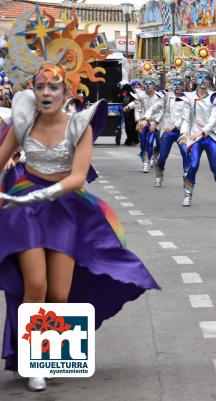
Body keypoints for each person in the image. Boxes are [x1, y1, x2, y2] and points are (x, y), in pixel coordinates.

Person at [0, 10, 160, 391]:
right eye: (40, 87)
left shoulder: (80, 124)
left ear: (67, 90)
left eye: (53, 87)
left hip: (65, 206)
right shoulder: (23, 121)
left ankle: (46, 354)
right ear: (33, 90)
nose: (46, 93)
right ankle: (32, 363)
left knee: (59, 291)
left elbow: (77, 176)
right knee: (34, 284)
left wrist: (49, 192)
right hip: (25, 206)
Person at [181, 68, 216, 207]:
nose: (204, 81)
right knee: (193, 165)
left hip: (210, 137)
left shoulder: (215, 97)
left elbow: (213, 119)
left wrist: (202, 132)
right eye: (201, 78)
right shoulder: (188, 98)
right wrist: (184, 134)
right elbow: (186, 119)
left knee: (215, 168)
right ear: (195, 79)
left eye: (207, 78)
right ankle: (188, 194)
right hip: (194, 137)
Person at [152, 73, 191, 188]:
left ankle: (186, 176)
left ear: (184, 86)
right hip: (168, 132)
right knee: (163, 155)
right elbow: (157, 108)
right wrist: (148, 119)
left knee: (185, 153)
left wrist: (174, 126)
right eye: (175, 84)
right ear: (171, 85)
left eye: (180, 84)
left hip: (181, 131)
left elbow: (185, 117)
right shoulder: (166, 97)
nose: (177, 86)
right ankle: (159, 174)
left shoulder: (187, 99)